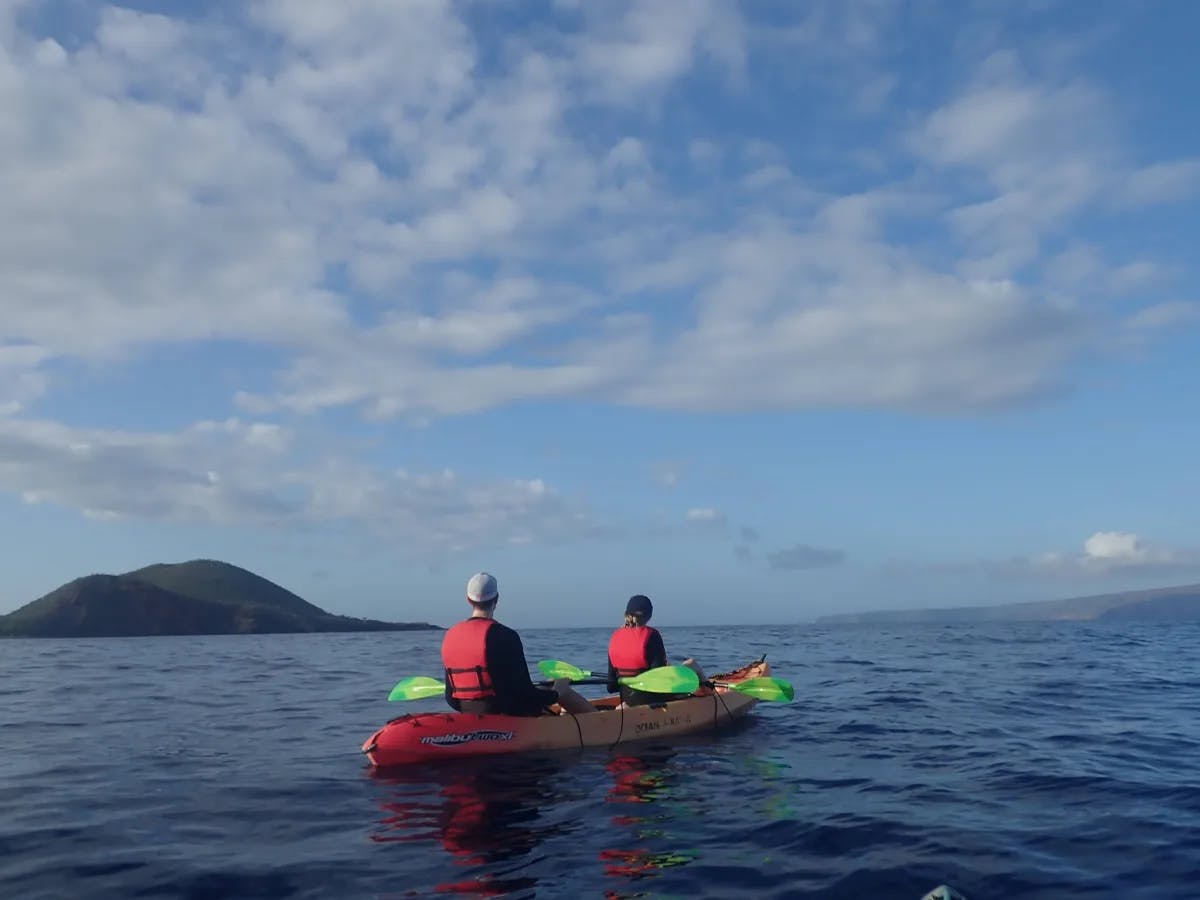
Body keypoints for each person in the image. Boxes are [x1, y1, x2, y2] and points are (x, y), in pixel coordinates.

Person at [442, 572, 594, 716]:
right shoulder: (506, 636)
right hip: (507, 718)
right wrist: (557, 693)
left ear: (468, 600)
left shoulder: (450, 636)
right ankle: (602, 723)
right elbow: (525, 694)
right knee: (560, 688)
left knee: (546, 687)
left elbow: (451, 699)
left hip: (470, 713)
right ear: (496, 599)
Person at [606, 594, 706, 706]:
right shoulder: (652, 636)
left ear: (627, 613)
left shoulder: (615, 637)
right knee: (691, 664)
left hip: (627, 698)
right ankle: (710, 697)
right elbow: (659, 681)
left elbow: (611, 687)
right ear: (649, 615)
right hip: (652, 698)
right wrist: (669, 668)